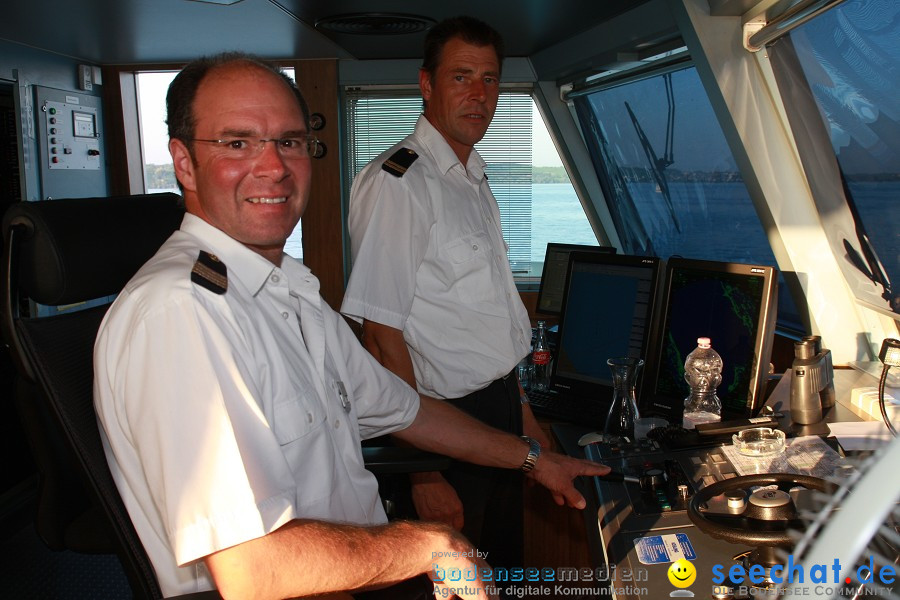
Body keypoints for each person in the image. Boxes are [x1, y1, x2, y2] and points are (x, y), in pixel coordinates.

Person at [93, 52, 609, 600]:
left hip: (354, 570)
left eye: (289, 141)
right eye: (237, 143)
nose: (273, 167)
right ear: (184, 162)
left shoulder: (288, 293)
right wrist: (425, 544)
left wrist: (534, 458)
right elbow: (251, 572)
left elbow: (405, 408)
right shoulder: (183, 314)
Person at [341, 16, 543, 571]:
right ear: (426, 84)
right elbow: (381, 335)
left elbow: (486, 323)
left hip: (498, 411)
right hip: (441, 428)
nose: (479, 95)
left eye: (490, 79)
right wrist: (423, 470)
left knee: (503, 573)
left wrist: (524, 418)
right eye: (461, 77)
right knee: (456, 581)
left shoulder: (469, 177)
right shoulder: (399, 183)